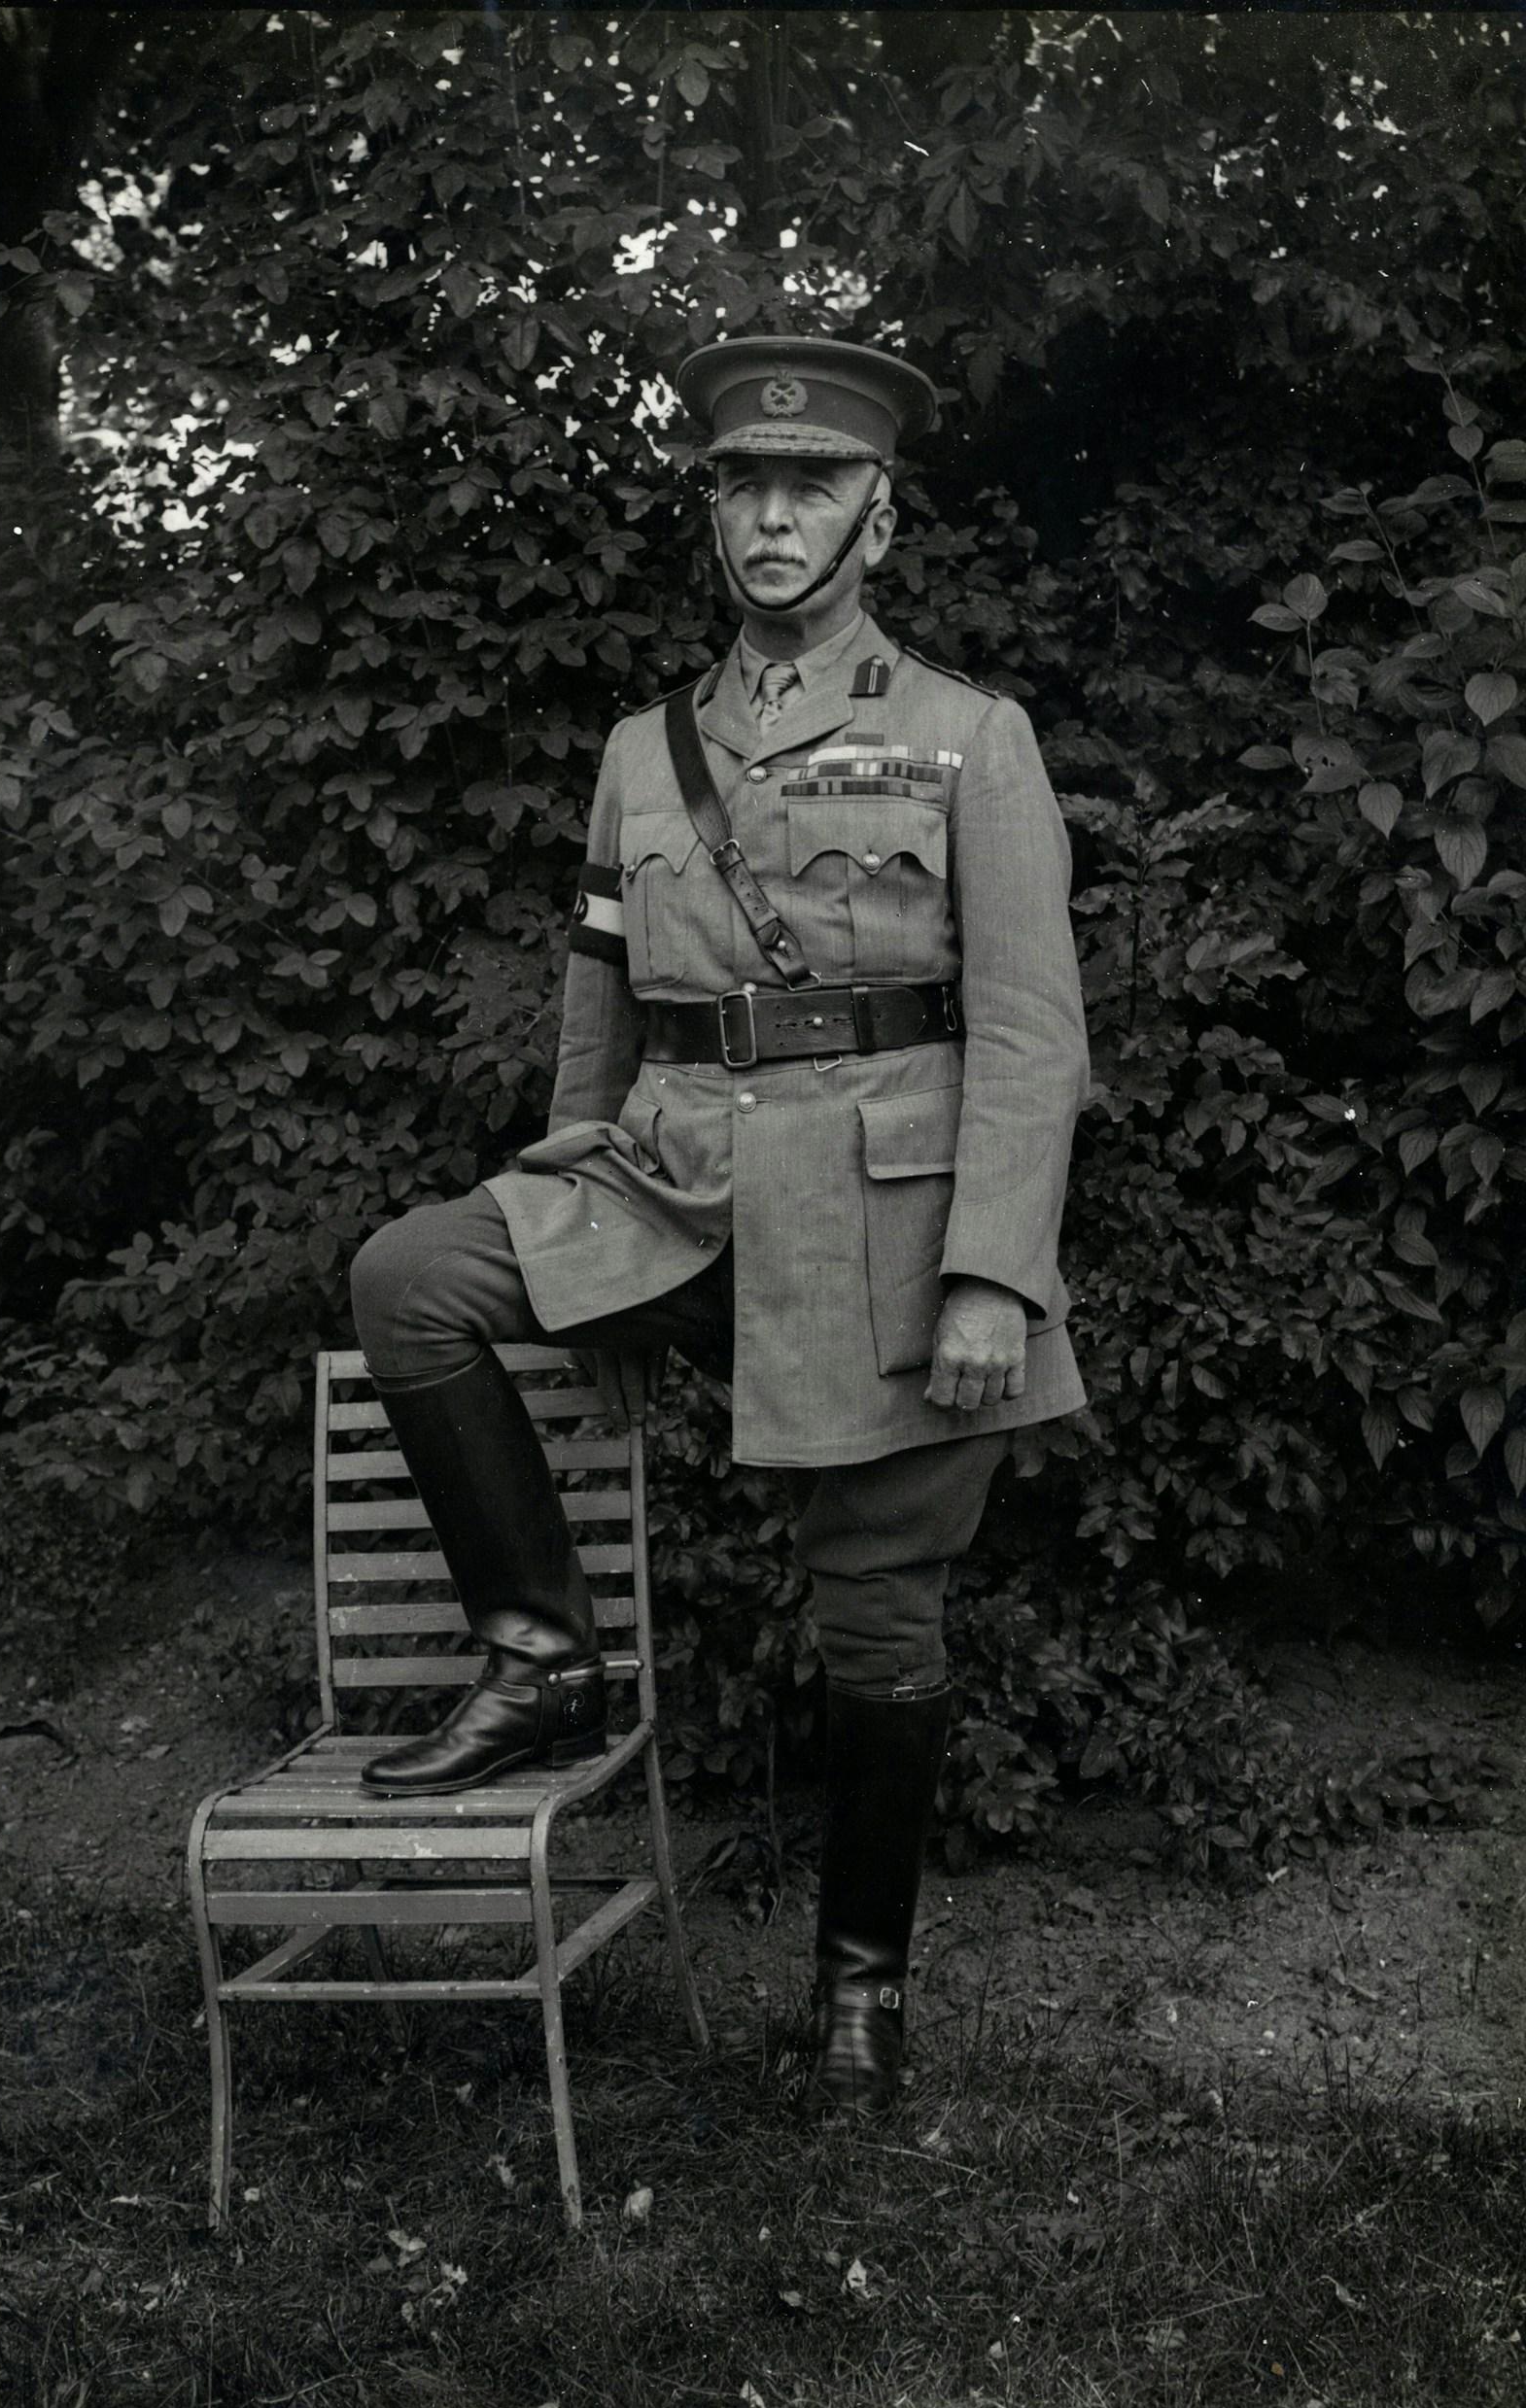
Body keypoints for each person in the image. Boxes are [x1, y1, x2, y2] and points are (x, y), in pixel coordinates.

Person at [348, 334, 1089, 2116]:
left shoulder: (968, 738)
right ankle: (542, 1652)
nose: (769, 517)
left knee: (878, 1626)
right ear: (712, 516)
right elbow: (599, 1004)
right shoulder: (641, 754)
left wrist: (994, 1275)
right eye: (742, 486)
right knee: (413, 1277)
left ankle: (859, 1999)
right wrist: (571, 1237)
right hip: (671, 1184)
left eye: (808, 488)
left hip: (884, 1221)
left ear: (874, 520)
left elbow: (1030, 1033)